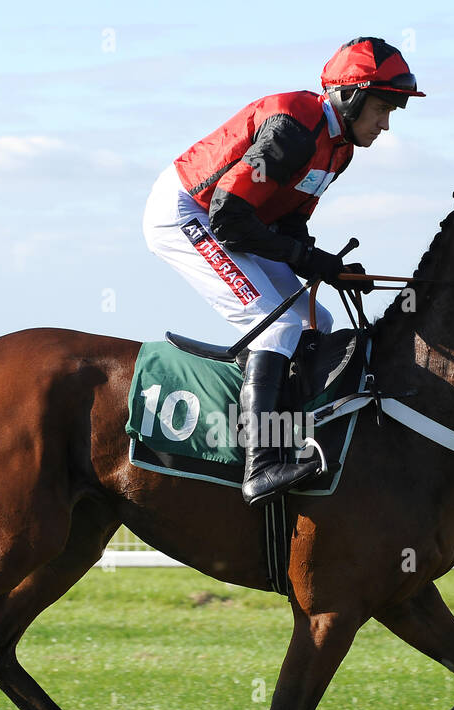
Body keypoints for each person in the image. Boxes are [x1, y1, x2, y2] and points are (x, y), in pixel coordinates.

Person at [143, 36, 424, 507]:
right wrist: (313, 263)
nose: (386, 124)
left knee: (320, 322)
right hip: (189, 213)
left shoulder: (339, 149)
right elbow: (228, 216)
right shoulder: (293, 128)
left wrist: (330, 269)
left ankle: (296, 433)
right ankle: (260, 465)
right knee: (274, 324)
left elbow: (288, 220)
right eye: (382, 108)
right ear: (351, 96)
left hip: (233, 219)